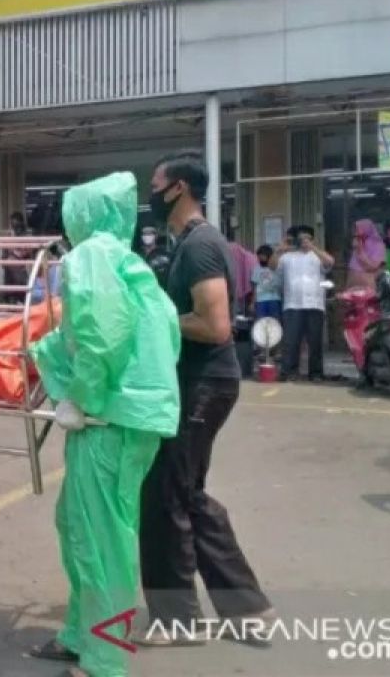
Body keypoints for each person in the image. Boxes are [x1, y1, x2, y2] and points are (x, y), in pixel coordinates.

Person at [28, 172, 181, 677]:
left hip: (107, 418)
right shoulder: (129, 263)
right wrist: (49, 353)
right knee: (81, 525)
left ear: (83, 214)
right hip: (132, 416)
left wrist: (81, 395)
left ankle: (105, 658)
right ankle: (81, 632)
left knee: (101, 539)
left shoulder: (91, 256)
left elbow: (102, 336)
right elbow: (157, 337)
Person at [139, 152, 273, 645]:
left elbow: (214, 326)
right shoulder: (184, 244)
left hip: (204, 384)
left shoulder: (199, 245)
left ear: (178, 188)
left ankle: (179, 620)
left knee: (164, 496)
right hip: (194, 382)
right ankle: (245, 607)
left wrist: (153, 322)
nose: (149, 193)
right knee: (182, 493)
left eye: (155, 183)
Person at [271, 225, 335, 382]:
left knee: (315, 341)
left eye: (307, 238)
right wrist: (279, 249)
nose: (303, 242)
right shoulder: (287, 257)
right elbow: (272, 266)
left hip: (315, 304)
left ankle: (316, 373)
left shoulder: (317, 256)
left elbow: (330, 262)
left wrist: (312, 247)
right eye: (301, 239)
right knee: (290, 341)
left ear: (313, 239)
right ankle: (288, 371)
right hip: (292, 304)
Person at [347, 219, 385, 291]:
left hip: (367, 283)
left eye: (358, 229)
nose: (356, 231)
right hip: (353, 282)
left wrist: (360, 250)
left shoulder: (378, 244)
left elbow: (372, 267)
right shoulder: (358, 241)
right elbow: (352, 266)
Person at [251, 245, 281, 320]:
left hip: (274, 299)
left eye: (263, 255)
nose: (261, 257)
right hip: (261, 300)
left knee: (274, 322)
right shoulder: (257, 268)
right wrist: (253, 302)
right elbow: (254, 287)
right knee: (261, 322)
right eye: (259, 256)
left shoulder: (275, 267)